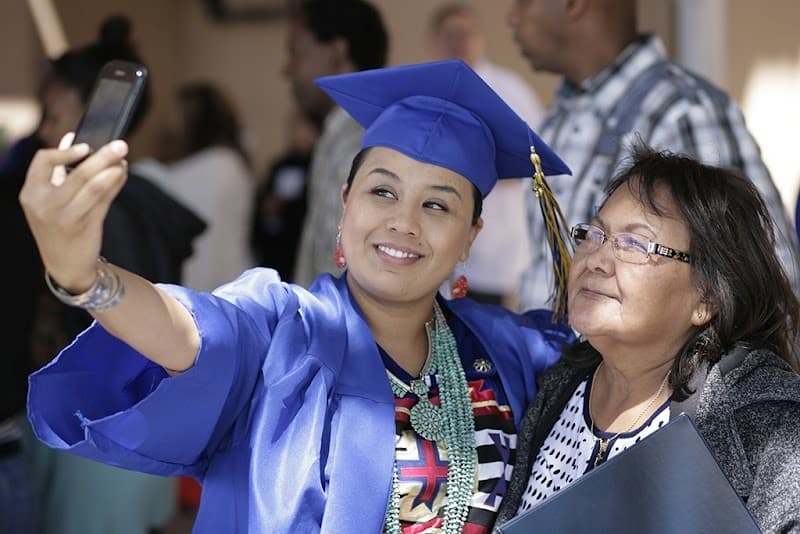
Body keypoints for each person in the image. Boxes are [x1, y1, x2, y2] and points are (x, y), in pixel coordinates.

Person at [20, 59, 575, 533]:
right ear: (345, 203)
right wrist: (87, 277)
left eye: (437, 205)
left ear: (469, 238)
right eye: (382, 191)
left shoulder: (509, 353)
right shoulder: (285, 330)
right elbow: (194, 331)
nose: (403, 222)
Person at [493, 146, 800, 533]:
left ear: (706, 298)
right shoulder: (561, 386)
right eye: (595, 234)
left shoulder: (763, 419)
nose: (596, 259)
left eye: (635, 245)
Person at [17, 15, 205, 534]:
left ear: (88, 114)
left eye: (53, 113)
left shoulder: (97, 214)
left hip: (99, 429)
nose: (45, 130)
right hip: (142, 422)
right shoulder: (148, 201)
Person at [506, 0, 800, 311]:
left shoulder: (683, 112)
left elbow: (759, 289)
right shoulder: (558, 118)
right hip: (562, 361)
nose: (512, 19)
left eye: (524, 2)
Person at [428, 1, 544, 309]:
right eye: (450, 34)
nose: (459, 42)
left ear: (479, 37)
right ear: (436, 41)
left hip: (497, 250)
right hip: (442, 245)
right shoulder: (429, 94)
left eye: (465, 33)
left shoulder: (509, 90)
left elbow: (535, 160)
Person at [288, 0, 390, 288]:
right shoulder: (336, 133)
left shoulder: (362, 142)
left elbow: (347, 274)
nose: (287, 70)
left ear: (337, 52)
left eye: (295, 54)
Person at [134, 81, 256, 292]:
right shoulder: (224, 161)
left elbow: (163, 186)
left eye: (178, 112)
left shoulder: (223, 163)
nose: (168, 122)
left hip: (224, 280)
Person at [249, 107, 320, 281]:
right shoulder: (279, 165)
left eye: (303, 127)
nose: (297, 133)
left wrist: (285, 207)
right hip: (272, 249)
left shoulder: (316, 167)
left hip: (296, 246)